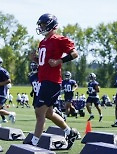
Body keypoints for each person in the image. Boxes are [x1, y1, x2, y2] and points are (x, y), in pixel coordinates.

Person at [29, 13, 79, 149]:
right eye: (40, 25)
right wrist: (35, 59)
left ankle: (33, 143)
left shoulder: (59, 39)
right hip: (43, 80)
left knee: (39, 112)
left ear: (51, 25)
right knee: (49, 113)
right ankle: (70, 132)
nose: (41, 27)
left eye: (43, 25)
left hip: (52, 81)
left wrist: (59, 61)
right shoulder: (43, 42)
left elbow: (74, 53)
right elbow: (44, 64)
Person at [0, 57, 16, 123]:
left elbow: (8, 80)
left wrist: (1, 84)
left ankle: (10, 114)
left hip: (1, 93)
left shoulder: (2, 71)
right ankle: (9, 114)